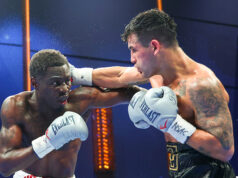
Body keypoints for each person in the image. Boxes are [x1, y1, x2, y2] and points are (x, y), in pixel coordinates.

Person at [121, 9, 235, 178]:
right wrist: (77, 75)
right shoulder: (155, 75)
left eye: (133, 50)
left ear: (154, 46)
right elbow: (117, 76)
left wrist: (170, 123)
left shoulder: (201, 84)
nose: (131, 59)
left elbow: (224, 151)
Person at [0, 49, 141, 178]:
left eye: (68, 81)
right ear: (35, 83)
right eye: (55, 83)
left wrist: (149, 98)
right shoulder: (16, 106)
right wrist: (47, 142)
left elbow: (131, 87)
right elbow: (5, 167)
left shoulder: (81, 101)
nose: (64, 89)